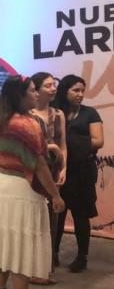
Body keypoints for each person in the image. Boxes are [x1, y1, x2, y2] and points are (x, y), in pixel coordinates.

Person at [0, 76, 64, 289]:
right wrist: (55, 195)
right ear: (20, 95)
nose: (36, 94)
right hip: (22, 187)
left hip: (2, 183)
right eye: (33, 90)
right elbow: (38, 164)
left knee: (4, 236)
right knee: (23, 240)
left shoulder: (0, 120)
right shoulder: (27, 124)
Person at [54, 75, 104, 273]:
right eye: (76, 90)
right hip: (59, 170)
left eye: (82, 90)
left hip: (82, 171)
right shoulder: (55, 112)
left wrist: (67, 141)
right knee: (57, 215)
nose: (80, 94)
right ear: (64, 90)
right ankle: (53, 253)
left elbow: (98, 141)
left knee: (81, 215)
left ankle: (82, 256)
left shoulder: (90, 113)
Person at [30, 72, 66, 285]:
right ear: (36, 89)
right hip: (33, 170)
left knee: (52, 218)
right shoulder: (27, 114)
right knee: (34, 217)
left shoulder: (58, 114)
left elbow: (63, 145)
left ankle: (45, 268)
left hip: (54, 170)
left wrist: (64, 168)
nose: (53, 89)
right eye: (48, 85)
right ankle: (31, 267)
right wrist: (50, 147)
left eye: (54, 85)